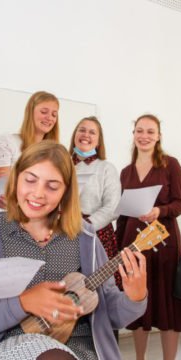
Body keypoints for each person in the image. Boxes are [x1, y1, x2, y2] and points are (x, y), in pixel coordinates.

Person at [0, 140, 148, 360]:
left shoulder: (85, 239)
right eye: (30, 180)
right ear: (15, 180)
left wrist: (134, 298)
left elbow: (111, 316)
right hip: (8, 345)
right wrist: (21, 303)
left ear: (66, 192)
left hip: (80, 349)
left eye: (52, 186)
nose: (39, 193)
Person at [116, 114, 181, 360]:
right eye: (140, 131)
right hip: (133, 244)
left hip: (163, 243)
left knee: (168, 305)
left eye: (150, 131)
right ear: (134, 134)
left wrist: (159, 211)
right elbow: (123, 215)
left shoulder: (171, 165)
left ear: (158, 136)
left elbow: (180, 204)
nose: (144, 136)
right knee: (138, 305)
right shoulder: (126, 172)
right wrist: (119, 248)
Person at [68, 116, 121, 286]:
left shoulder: (106, 168)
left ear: (98, 141)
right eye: (82, 130)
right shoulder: (61, 164)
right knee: (67, 286)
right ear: (75, 134)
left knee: (97, 290)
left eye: (92, 132)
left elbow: (112, 208)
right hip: (63, 232)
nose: (86, 135)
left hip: (96, 234)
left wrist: (85, 226)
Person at [0, 91, 59, 207]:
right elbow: (3, 193)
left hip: (41, 219)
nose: (49, 118)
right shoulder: (6, 142)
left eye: (54, 114)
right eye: (44, 112)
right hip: (10, 217)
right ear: (30, 112)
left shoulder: (55, 152)